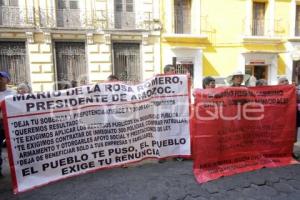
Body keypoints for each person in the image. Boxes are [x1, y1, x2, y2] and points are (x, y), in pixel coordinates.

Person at [0, 71, 16, 177]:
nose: (0, 79)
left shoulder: (13, 93)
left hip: (11, 124)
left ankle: (19, 171)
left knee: (15, 147)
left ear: (8, 80)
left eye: (2, 77)